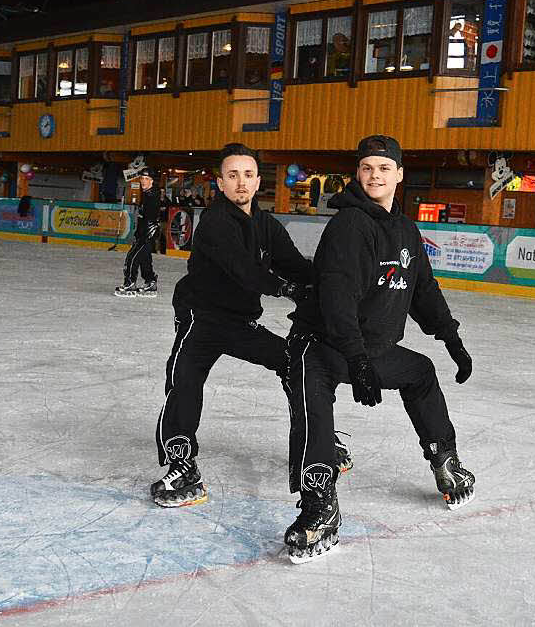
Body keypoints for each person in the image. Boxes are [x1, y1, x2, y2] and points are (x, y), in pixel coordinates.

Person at [280, 134, 475, 563]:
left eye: (384, 169)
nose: (375, 175)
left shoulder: (405, 229)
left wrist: (451, 338)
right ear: (358, 173)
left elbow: (423, 289)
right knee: (313, 416)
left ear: (399, 175)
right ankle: (319, 509)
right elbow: (337, 297)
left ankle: (445, 462)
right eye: (367, 168)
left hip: (369, 350)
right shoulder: (350, 225)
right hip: (322, 347)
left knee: (420, 374)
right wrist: (357, 359)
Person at [150, 142, 351, 508]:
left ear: (258, 181)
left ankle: (321, 441)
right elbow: (245, 270)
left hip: (242, 322)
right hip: (203, 319)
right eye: (232, 175)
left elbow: (294, 264)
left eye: (247, 174)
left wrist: (329, 284)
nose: (240, 182)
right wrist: (285, 289)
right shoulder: (213, 223)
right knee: (184, 381)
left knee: (295, 363)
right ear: (221, 183)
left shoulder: (266, 225)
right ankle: (181, 461)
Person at [114, 168, 160, 298]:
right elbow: (144, 217)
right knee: (145, 259)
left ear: (152, 181)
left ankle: (130, 283)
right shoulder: (147, 194)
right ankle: (150, 282)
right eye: (142, 179)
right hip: (144, 233)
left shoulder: (152, 195)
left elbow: (151, 218)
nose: (143, 181)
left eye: (146, 179)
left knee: (132, 257)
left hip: (147, 234)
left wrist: (146, 234)